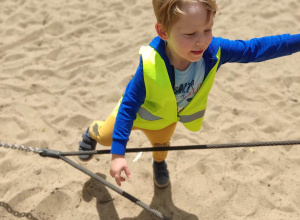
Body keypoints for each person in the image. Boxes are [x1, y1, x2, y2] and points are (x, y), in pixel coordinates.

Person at [78, 0, 300, 188]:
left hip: (165, 120)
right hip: (135, 115)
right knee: (107, 137)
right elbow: (127, 108)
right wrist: (118, 156)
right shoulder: (150, 66)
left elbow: (255, 49)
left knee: (161, 147)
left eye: (207, 29)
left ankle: (158, 164)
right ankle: (91, 131)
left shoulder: (214, 50)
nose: (201, 40)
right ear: (163, 32)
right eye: (191, 33)